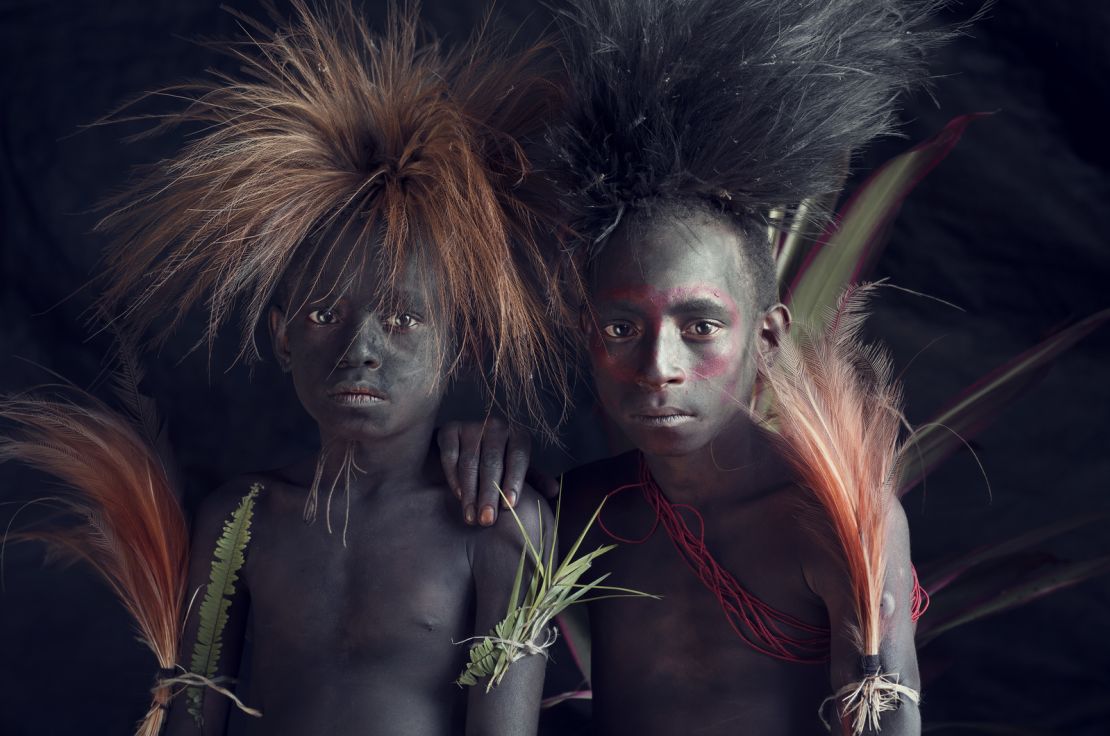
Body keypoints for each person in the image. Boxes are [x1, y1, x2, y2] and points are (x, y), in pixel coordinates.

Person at [2, 2, 571, 734]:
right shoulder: (242, 521)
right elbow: (191, 717)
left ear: (456, 345)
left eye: (402, 320)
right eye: (322, 315)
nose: (360, 348)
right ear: (280, 338)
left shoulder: (497, 527)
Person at [437, 0, 947, 732]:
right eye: (622, 326)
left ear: (766, 340)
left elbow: (886, 712)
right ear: (589, 336)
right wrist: (482, 455)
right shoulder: (580, 514)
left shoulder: (835, 519)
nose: (657, 365)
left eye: (700, 326)